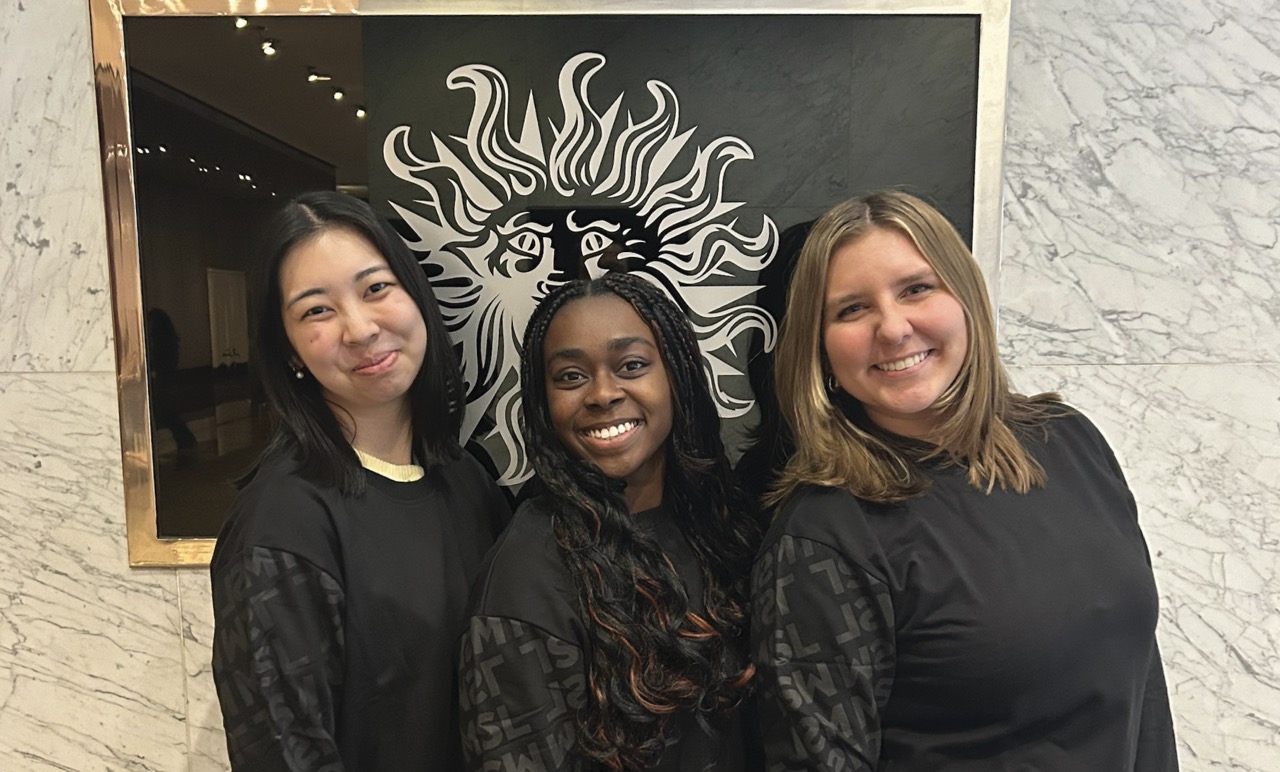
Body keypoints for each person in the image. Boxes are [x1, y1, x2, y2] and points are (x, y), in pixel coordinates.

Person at [752, 191, 1178, 771]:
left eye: (916, 289)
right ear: (820, 347)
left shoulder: (1071, 441)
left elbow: (1141, 686)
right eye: (851, 309)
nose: (893, 328)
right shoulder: (825, 536)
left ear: (966, 297)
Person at [210, 191, 510, 770]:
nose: (360, 328)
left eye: (376, 289)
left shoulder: (466, 480)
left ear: (416, 296)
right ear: (289, 351)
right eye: (316, 311)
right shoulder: (282, 524)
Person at [459, 273, 760, 771]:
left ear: (677, 376)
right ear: (543, 403)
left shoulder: (719, 521)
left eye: (632, 365)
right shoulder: (526, 579)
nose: (602, 394)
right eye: (570, 376)